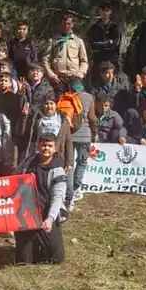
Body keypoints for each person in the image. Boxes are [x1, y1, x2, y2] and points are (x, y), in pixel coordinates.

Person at [14, 135, 67, 264]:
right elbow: (14, 180)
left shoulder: (58, 170)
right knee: (24, 260)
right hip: (27, 210)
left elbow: (57, 198)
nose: (46, 148)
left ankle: (42, 239)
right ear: (38, 146)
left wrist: (50, 219)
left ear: (55, 149)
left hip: (46, 212)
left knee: (56, 258)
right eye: (43, 145)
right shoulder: (27, 163)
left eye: (50, 146)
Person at [61, 80, 96, 210]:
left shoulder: (66, 97)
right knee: (82, 161)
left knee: (69, 164)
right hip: (84, 135)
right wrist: (95, 131)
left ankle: (68, 191)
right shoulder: (88, 97)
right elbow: (92, 118)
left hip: (68, 134)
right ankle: (75, 188)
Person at [24, 95, 74, 170]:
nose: (49, 106)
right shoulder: (36, 119)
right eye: (46, 104)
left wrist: (69, 162)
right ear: (43, 105)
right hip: (39, 155)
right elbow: (30, 138)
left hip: (57, 156)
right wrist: (24, 116)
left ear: (56, 105)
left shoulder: (62, 119)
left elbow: (68, 140)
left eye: (51, 103)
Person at [42, 13, 89, 89]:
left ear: (72, 25)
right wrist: (51, 75)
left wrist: (80, 74)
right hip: (58, 78)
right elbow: (45, 60)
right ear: (61, 24)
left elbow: (84, 61)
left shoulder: (78, 41)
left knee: (78, 97)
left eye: (69, 24)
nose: (66, 26)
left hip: (75, 77)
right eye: (64, 24)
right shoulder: (52, 41)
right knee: (59, 99)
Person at [87, 2, 122, 79]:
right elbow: (93, 44)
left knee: (112, 84)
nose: (105, 13)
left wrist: (100, 44)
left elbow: (115, 44)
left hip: (112, 61)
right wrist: (108, 42)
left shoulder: (115, 27)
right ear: (99, 11)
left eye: (107, 10)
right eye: (102, 11)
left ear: (110, 12)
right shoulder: (94, 27)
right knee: (96, 84)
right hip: (98, 61)